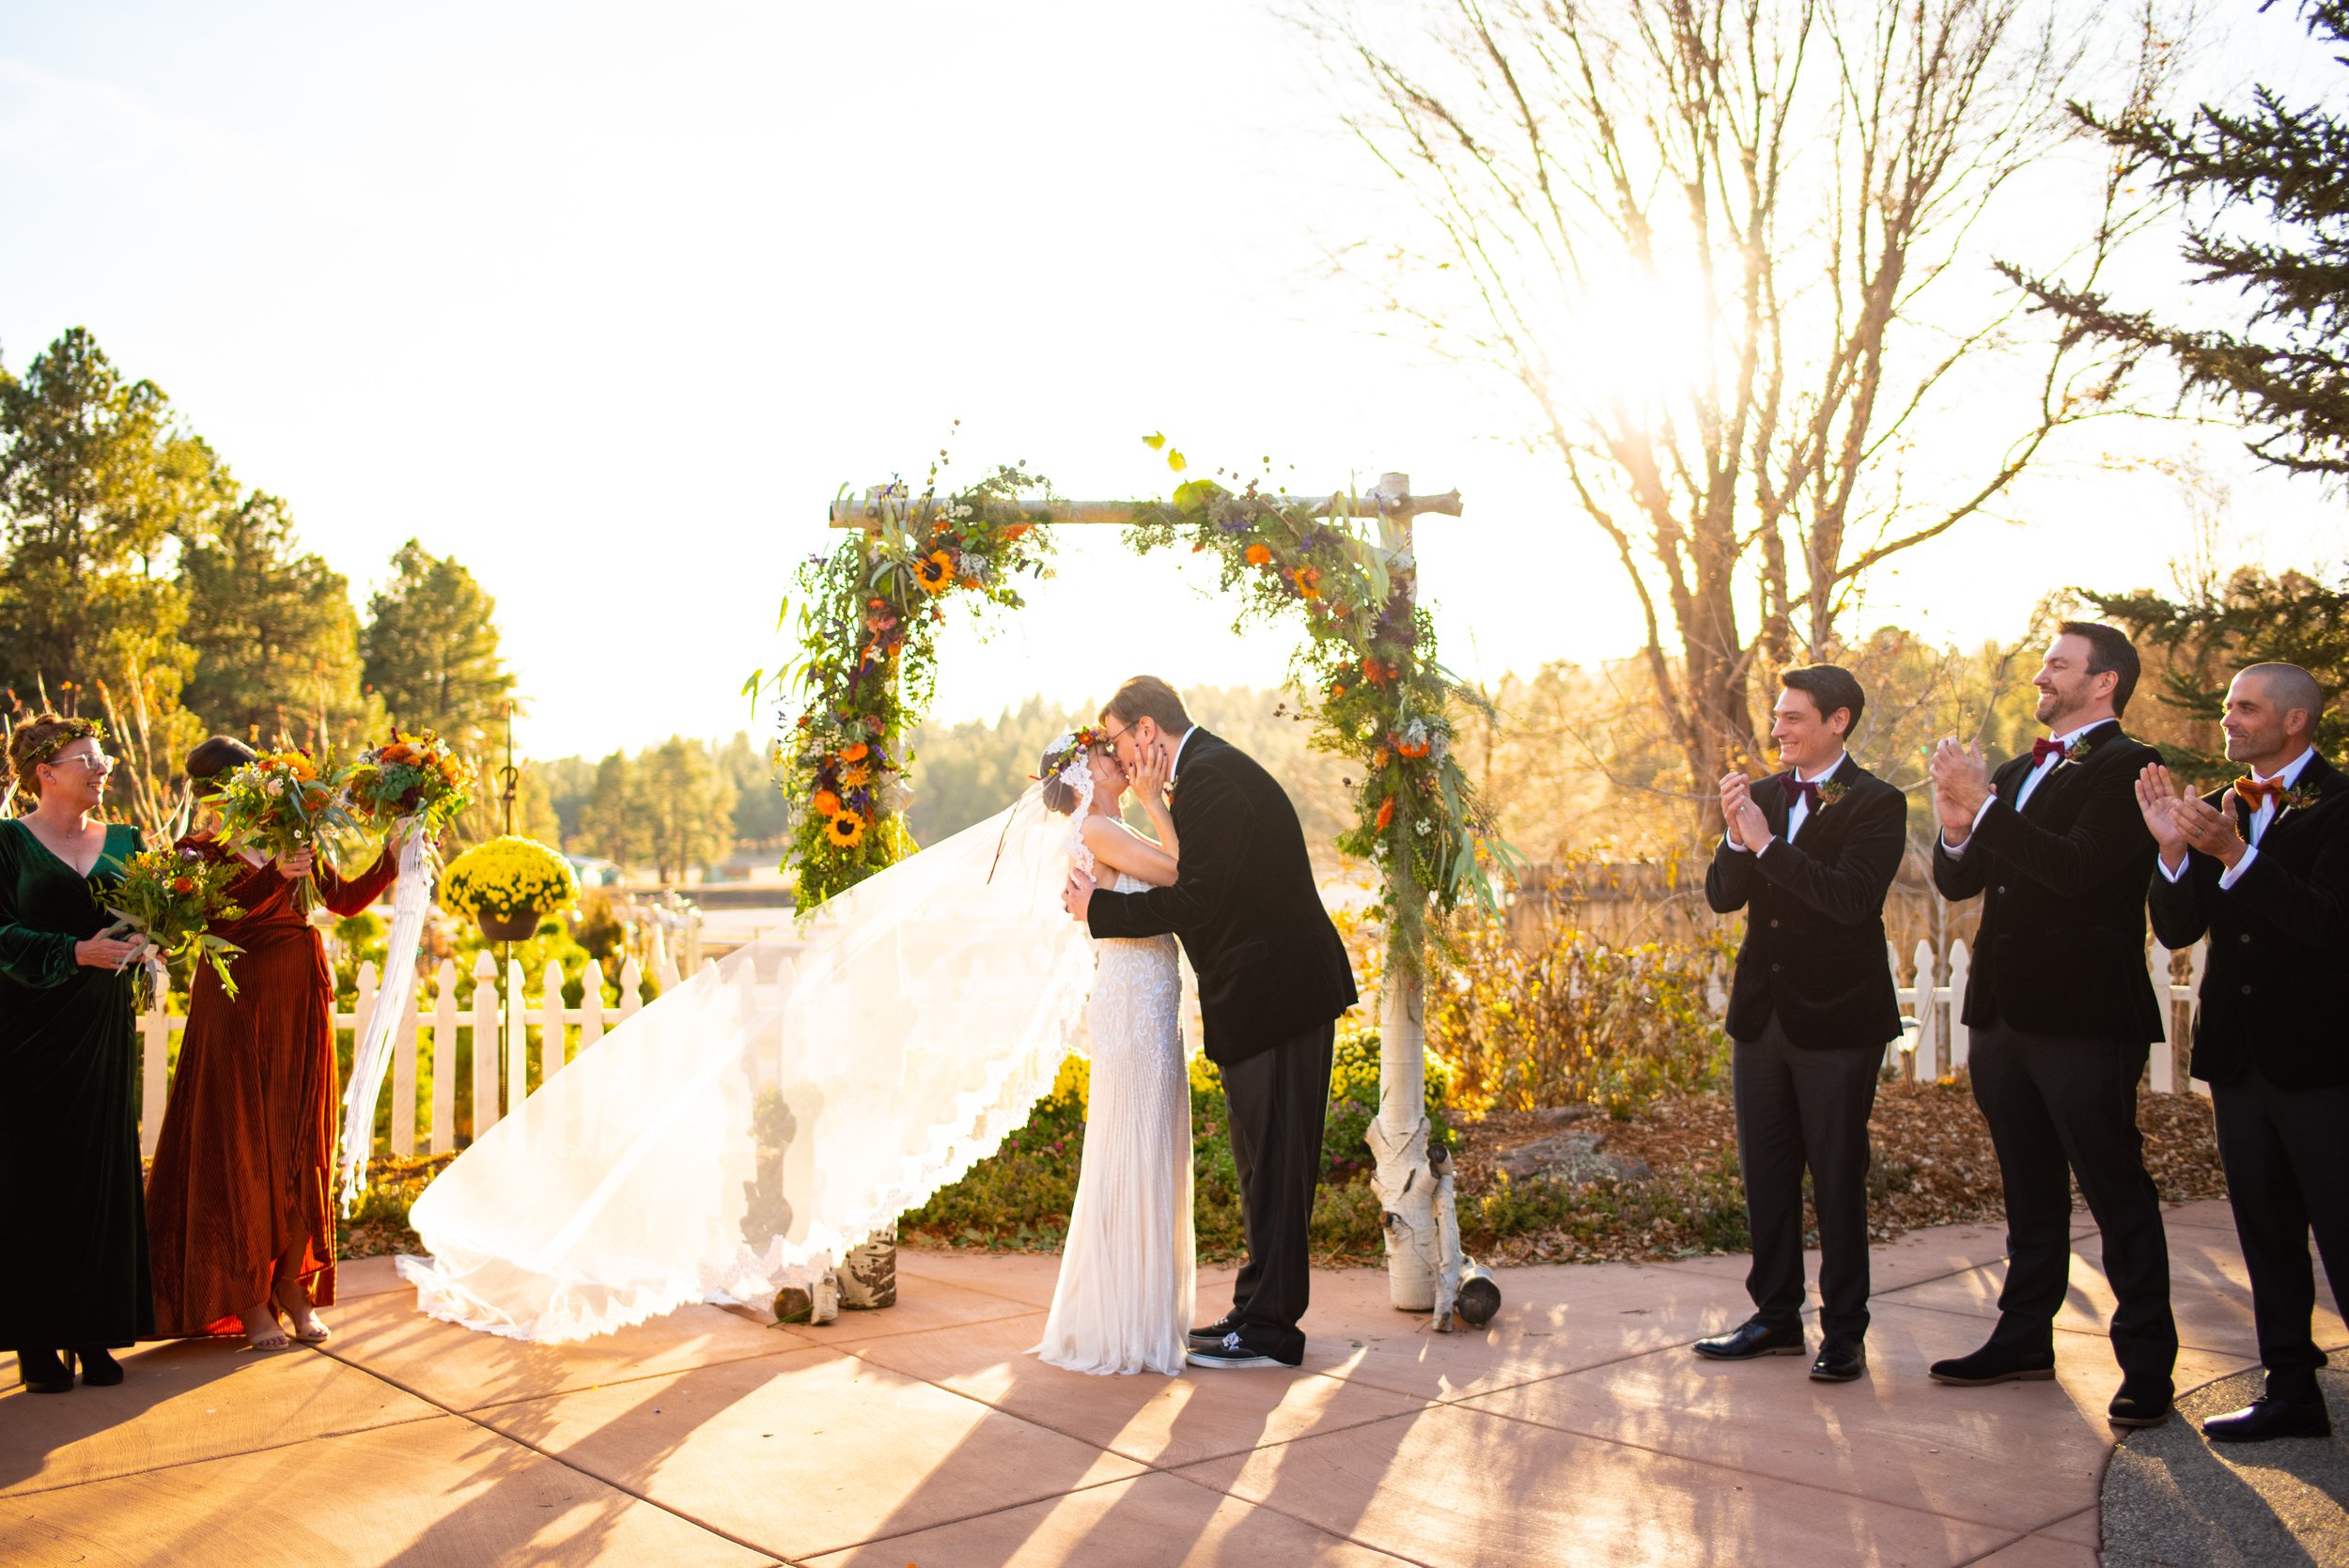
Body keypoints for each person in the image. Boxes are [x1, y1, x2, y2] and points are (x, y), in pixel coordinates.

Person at [1064, 676, 1359, 1370]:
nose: (1117, 755)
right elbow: (1197, 879)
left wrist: (1096, 914)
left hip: (1280, 997)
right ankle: (1254, 1312)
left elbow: (1194, 899)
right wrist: (1155, 806)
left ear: (1145, 731)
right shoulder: (1199, 777)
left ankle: (1270, 1332)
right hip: (1262, 1001)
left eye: (1116, 742)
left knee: (1279, 1168)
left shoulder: (1214, 780)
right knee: (1265, 1165)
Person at [1926, 621, 2176, 1428]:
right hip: (2001, 1011)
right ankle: (2024, 1336)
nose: (2042, 674)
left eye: (2058, 665)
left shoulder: (2131, 767)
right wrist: (1956, 824)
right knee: (2027, 1188)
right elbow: (1962, 880)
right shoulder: (2012, 769)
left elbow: (2071, 870)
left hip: (2084, 1014)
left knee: (2114, 1187)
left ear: (2103, 683)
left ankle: (2145, 1364)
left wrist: (1986, 804)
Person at [2140, 662, 2349, 1442]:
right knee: (2265, 1232)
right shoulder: (2223, 806)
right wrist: (2170, 853)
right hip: (2239, 1060)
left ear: (2294, 721)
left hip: (2324, 1061)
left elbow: (2327, 920)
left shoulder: (2341, 803)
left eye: (2245, 707)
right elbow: (2180, 928)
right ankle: (2290, 1389)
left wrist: (2237, 854)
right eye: (2227, 705)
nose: (2228, 719)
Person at [145, 737, 405, 1349]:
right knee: (239, 1139)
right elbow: (208, 919)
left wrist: (391, 856)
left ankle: (292, 1284)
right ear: (213, 793)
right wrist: (268, 879)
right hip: (234, 997)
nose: (257, 792)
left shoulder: (292, 836)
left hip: (296, 997)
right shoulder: (194, 849)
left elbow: (340, 900)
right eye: (240, 784)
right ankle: (248, 1296)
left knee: (295, 1140)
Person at [1696, 664, 1907, 1385]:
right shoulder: (1759, 797)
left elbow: (1848, 899)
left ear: (1837, 721)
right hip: (1762, 1016)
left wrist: (1765, 846)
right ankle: (1775, 1316)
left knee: (1840, 1175)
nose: (1778, 728)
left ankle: (1844, 1331)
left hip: (1841, 1018)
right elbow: (1724, 897)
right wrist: (1734, 838)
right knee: (1767, 1173)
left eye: (1792, 717)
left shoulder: (1877, 801)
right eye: (1777, 715)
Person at [1026, 725, 1195, 1374]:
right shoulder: (1098, 830)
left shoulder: (1106, 832)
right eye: (1105, 753)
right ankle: (1125, 1325)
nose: (1118, 759)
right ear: (1083, 775)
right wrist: (1156, 800)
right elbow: (1182, 872)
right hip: (1133, 1007)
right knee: (1136, 1147)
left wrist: (1152, 807)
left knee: (1146, 1145)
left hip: (1147, 998)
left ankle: (1139, 1314)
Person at [0, 715, 153, 1391]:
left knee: (101, 1169)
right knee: (33, 1174)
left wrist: (152, 946)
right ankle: (35, 1337)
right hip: (26, 1031)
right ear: (45, 771)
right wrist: (72, 951)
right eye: (87, 758)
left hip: (103, 1026)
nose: (102, 768)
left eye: (104, 757)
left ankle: (93, 1330)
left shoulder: (128, 841)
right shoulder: (6, 843)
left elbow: (156, 920)